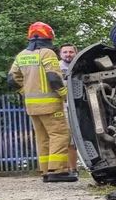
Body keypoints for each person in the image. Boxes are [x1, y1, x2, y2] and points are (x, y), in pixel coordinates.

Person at [8, 22, 76, 182]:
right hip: (51, 104)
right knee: (60, 134)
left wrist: (25, 92)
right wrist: (65, 95)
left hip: (32, 106)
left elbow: (11, 80)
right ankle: (58, 171)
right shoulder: (47, 53)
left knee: (42, 137)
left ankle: (45, 171)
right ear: (49, 37)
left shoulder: (21, 55)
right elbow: (54, 77)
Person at [59, 44, 79, 177]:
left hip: (79, 107)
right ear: (60, 54)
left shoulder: (80, 66)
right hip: (64, 106)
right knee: (67, 139)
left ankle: (74, 168)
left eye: (71, 52)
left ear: (75, 53)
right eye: (65, 52)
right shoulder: (56, 68)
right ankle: (69, 169)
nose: (68, 54)